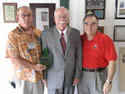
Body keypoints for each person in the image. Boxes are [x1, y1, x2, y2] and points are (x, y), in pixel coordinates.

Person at [41, 7, 82, 94]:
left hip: (70, 77)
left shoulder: (76, 33)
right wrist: (44, 76)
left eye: (65, 16)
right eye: (59, 17)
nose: (62, 19)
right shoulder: (46, 34)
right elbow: (44, 57)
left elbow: (79, 56)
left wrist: (77, 75)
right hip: (52, 77)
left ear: (68, 18)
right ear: (55, 19)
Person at [6, 6, 46, 94]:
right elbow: (14, 59)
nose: (26, 18)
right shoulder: (12, 35)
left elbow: (45, 53)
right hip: (23, 78)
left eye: (29, 15)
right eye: (23, 16)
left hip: (38, 77)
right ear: (17, 18)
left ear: (32, 17)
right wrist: (34, 67)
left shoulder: (39, 33)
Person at [78, 14, 117, 94]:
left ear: (97, 25)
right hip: (82, 76)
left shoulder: (105, 40)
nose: (89, 27)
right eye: (86, 23)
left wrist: (108, 81)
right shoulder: (79, 39)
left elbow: (112, 62)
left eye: (93, 24)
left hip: (98, 75)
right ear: (83, 25)